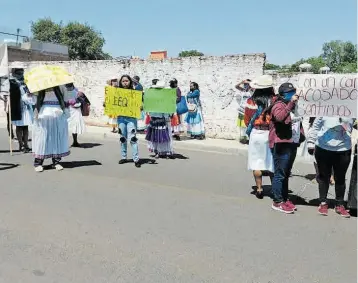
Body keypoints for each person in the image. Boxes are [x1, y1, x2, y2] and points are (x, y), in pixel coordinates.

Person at [266, 82, 304, 214]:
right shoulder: (278, 105)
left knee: (286, 173)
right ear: (283, 95)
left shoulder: (293, 106)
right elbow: (280, 117)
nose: (293, 95)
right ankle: (277, 201)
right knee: (280, 174)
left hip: (291, 142)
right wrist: (291, 104)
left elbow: (297, 122)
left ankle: (284, 198)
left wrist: (301, 136)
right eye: (290, 93)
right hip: (280, 143)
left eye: (294, 92)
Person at [307, 117, 356, 218]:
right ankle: (323, 202)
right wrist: (311, 142)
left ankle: (339, 204)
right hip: (323, 147)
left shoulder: (352, 107)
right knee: (323, 176)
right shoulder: (326, 106)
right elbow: (315, 126)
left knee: (340, 178)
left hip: (343, 148)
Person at [244, 76, 274, 199]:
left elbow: (246, 118)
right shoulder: (274, 100)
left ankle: (260, 189)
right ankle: (274, 188)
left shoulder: (252, 101)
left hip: (256, 133)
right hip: (270, 132)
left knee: (256, 162)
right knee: (271, 162)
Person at [32, 86, 73, 172]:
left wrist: (66, 107)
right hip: (44, 113)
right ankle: (38, 163)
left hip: (57, 112)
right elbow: (34, 100)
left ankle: (56, 162)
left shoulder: (60, 86)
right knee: (42, 138)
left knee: (56, 137)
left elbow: (67, 98)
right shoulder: (39, 86)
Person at [9, 66, 36, 152]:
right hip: (17, 106)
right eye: (19, 73)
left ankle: (26, 144)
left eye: (22, 72)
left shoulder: (26, 82)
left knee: (25, 126)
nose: (21, 74)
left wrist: (30, 93)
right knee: (19, 126)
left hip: (26, 106)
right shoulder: (12, 82)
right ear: (15, 73)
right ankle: (21, 144)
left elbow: (30, 90)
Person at [145, 80, 174, 158]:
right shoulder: (153, 97)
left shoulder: (167, 97)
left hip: (163, 118)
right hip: (155, 118)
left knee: (164, 136)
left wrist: (168, 115)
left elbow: (170, 108)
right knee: (155, 135)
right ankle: (157, 151)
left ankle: (166, 151)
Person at [117, 75, 141, 167]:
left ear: (130, 82)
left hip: (131, 118)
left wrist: (140, 107)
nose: (125, 83)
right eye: (123, 81)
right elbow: (112, 103)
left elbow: (140, 104)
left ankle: (136, 159)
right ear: (121, 82)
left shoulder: (135, 93)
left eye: (127, 81)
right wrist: (107, 104)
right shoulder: (116, 93)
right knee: (122, 138)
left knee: (133, 139)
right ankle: (124, 157)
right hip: (121, 118)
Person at [65, 83, 86, 147]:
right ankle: (73, 141)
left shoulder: (76, 92)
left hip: (74, 110)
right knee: (70, 126)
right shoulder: (66, 92)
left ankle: (75, 141)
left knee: (74, 126)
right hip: (70, 110)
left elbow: (81, 99)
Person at [236, 79, 253, 144]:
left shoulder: (251, 90)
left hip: (248, 110)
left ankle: (248, 138)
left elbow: (254, 87)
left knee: (248, 124)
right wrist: (242, 82)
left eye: (246, 84)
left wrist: (249, 83)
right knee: (242, 125)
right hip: (241, 110)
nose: (245, 85)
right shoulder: (242, 90)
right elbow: (236, 86)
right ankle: (243, 138)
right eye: (244, 84)